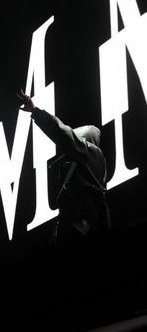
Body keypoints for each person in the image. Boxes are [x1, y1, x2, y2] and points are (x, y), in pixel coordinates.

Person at [17, 89, 110, 328]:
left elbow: (61, 132)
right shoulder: (85, 163)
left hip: (79, 231)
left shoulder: (90, 153)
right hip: (76, 229)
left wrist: (35, 111)